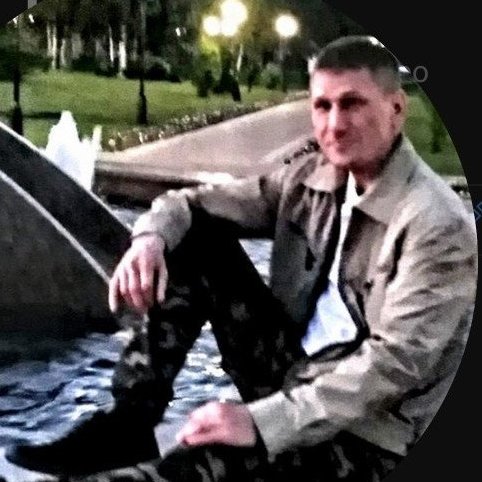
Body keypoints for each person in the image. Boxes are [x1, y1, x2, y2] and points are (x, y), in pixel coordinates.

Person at [6, 35, 477, 481]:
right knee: (195, 236)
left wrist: (259, 422)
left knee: (186, 469)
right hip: (290, 370)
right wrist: (147, 240)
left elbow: (393, 366)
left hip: (367, 432)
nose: (334, 124)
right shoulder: (311, 178)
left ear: (396, 109)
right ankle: (130, 422)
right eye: (323, 106)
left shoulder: (437, 224)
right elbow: (190, 204)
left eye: (352, 104)